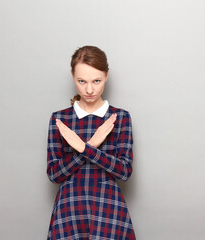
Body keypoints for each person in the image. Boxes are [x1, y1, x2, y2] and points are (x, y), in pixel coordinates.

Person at [46, 46, 136, 239]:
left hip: (108, 209)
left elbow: (124, 171)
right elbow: (54, 175)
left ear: (107, 75)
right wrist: (91, 146)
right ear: (72, 76)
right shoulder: (60, 119)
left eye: (96, 81)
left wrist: (85, 148)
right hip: (69, 210)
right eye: (82, 81)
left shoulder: (120, 117)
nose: (89, 89)